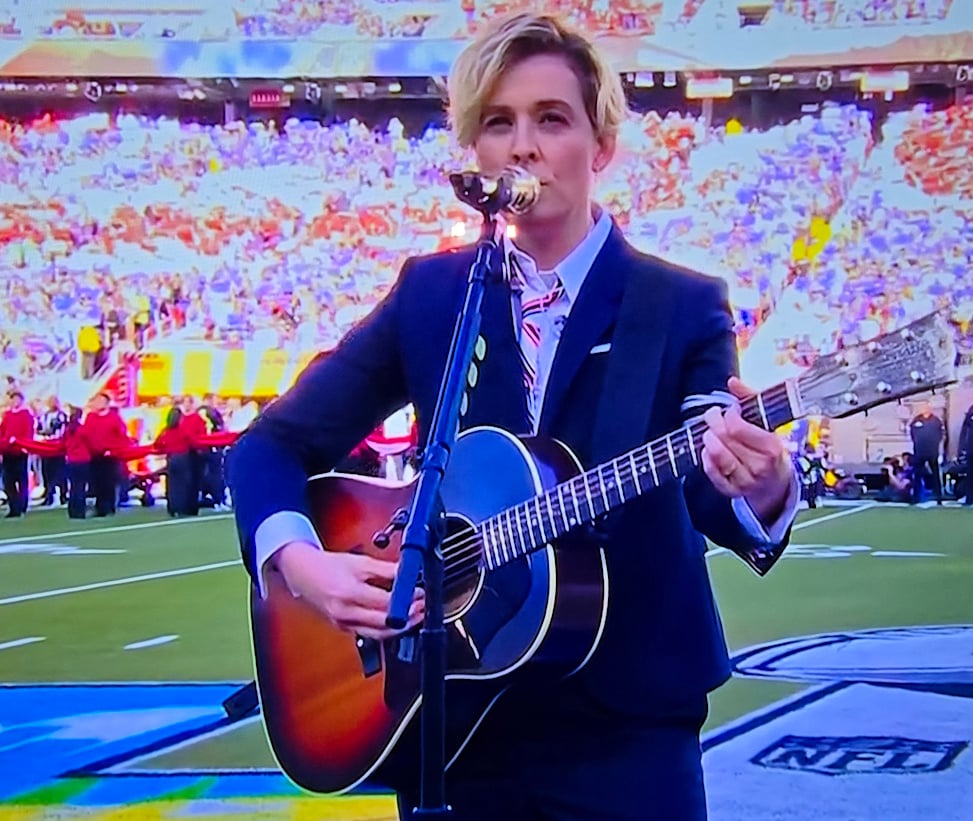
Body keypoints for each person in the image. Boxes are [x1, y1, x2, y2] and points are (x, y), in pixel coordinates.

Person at [225, 12, 799, 821]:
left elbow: (713, 481)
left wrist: (763, 484)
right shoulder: (432, 295)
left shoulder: (681, 304)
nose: (523, 145)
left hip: (629, 730)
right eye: (499, 123)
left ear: (599, 146)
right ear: (476, 152)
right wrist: (302, 565)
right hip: (453, 723)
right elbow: (271, 444)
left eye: (551, 119)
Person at [0, 391, 35, 517]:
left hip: (20, 452)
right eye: (12, 399)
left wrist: (26, 446)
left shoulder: (26, 415)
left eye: (17, 399)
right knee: (8, 481)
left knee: (21, 480)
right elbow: (2, 432)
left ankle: (22, 506)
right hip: (8, 452)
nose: (14, 402)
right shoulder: (7, 415)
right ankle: (13, 506)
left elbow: (29, 431)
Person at [908, 401, 944, 504]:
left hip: (932, 452)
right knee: (917, 475)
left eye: (926, 407)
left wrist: (935, 444)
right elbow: (912, 433)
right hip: (919, 452)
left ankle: (938, 497)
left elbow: (940, 434)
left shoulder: (936, 421)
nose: (924, 409)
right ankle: (916, 498)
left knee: (935, 475)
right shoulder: (916, 420)